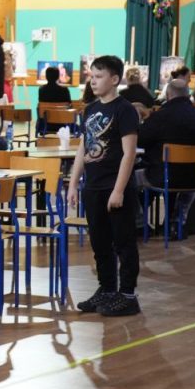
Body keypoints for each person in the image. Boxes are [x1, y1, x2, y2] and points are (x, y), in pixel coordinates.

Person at [66, 55, 141, 317]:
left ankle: (128, 295)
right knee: (100, 243)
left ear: (115, 79)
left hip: (115, 186)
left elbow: (129, 153)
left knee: (123, 243)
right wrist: (73, 183)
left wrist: (118, 190)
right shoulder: (90, 110)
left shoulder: (125, 110)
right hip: (93, 187)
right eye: (92, 76)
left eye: (99, 77)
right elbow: (83, 148)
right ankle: (107, 289)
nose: (93, 81)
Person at [136, 78, 195, 233]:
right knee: (186, 181)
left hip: (162, 177)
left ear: (168, 95)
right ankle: (176, 221)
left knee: (128, 181)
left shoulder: (160, 117)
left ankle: (138, 223)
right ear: (188, 95)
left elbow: (140, 141)